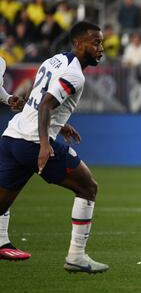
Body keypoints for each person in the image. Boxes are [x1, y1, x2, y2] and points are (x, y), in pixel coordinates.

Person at [0, 21, 109, 273]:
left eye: (101, 42)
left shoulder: (54, 60)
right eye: (96, 43)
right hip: (33, 142)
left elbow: (40, 100)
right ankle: (76, 257)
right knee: (88, 187)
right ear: (78, 44)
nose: (101, 48)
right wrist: (45, 143)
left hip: (12, 136)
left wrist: (60, 126)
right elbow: (47, 104)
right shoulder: (74, 74)